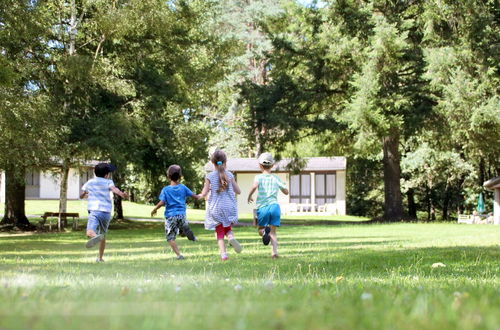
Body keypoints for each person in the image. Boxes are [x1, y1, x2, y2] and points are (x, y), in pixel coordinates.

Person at [80, 163, 128, 262]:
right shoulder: (108, 182)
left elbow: (81, 195)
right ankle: (100, 258)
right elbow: (115, 190)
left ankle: (96, 237)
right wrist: (122, 194)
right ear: (106, 175)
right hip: (106, 212)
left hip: (94, 210)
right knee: (103, 235)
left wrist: (85, 194)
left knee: (90, 232)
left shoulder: (90, 182)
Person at [151, 165, 200, 260]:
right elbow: (195, 196)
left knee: (170, 237)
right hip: (181, 215)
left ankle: (179, 255)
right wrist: (203, 194)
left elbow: (162, 202)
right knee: (183, 227)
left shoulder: (166, 190)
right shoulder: (183, 187)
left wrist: (155, 209)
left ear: (168, 176)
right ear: (180, 176)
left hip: (170, 216)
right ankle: (189, 235)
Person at [200, 149, 242, 261]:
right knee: (228, 228)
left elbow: (204, 193)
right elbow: (238, 191)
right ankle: (231, 237)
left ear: (213, 163)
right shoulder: (229, 175)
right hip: (229, 207)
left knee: (219, 232)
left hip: (216, 208)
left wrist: (199, 195)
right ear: (225, 162)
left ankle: (224, 254)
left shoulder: (210, 176)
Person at [247, 152, 289, 258]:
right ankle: (274, 253)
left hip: (263, 207)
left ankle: (264, 233)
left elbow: (254, 186)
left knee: (261, 229)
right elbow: (286, 191)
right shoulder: (276, 178)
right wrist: (284, 189)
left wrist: (249, 195)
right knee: (273, 232)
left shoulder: (258, 177)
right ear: (272, 165)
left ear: (260, 165)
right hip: (275, 207)